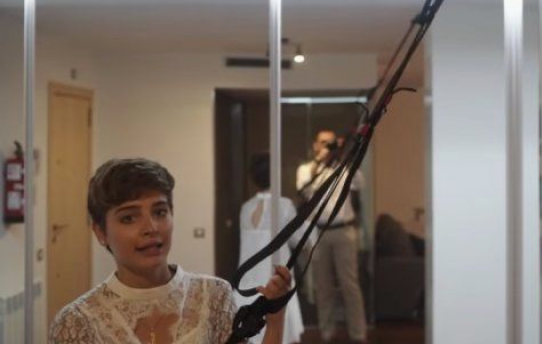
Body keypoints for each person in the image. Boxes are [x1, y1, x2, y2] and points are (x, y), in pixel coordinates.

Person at [49, 158, 289, 344]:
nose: (150, 228)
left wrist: (275, 320)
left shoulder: (214, 296)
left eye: (160, 212)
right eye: (129, 218)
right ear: (100, 232)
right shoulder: (77, 321)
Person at [296, 130, 367, 343]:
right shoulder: (306, 169)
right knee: (323, 287)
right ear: (315, 145)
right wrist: (321, 161)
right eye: (323, 143)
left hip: (344, 231)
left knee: (350, 286)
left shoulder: (344, 167)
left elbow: (360, 183)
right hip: (319, 233)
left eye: (331, 143)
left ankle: (358, 335)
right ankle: (327, 334)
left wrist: (347, 156)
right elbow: (304, 190)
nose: (328, 146)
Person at [237, 153, 312, 344]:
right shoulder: (284, 205)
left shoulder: (246, 208)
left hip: (248, 279)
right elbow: (301, 239)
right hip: (274, 278)